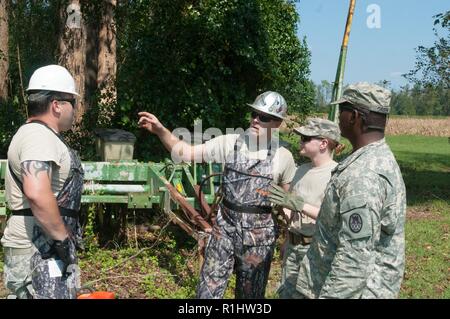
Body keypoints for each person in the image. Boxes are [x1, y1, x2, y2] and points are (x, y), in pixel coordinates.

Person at [138, 91, 296, 298]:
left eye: (264, 117)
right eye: (254, 114)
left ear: (277, 123)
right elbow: (186, 153)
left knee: (250, 297)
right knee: (207, 293)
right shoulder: (231, 142)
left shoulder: (283, 157)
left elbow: (288, 203)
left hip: (259, 240)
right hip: (224, 232)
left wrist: (289, 240)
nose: (256, 120)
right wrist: (160, 131)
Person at [293, 82, 407, 299]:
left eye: (342, 110)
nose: (338, 117)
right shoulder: (375, 158)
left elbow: (354, 260)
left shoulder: (363, 175)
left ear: (354, 116)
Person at [1, 65, 84, 299]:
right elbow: (36, 193)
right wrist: (61, 239)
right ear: (56, 105)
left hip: (46, 247)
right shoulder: (37, 136)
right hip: (37, 249)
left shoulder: (43, 136)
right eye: (73, 102)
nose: (75, 109)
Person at [268, 118, 342, 299]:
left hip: (317, 250)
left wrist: (300, 206)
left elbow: (333, 218)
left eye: (306, 138)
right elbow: (292, 209)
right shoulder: (300, 170)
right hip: (294, 246)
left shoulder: (337, 174)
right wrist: (286, 236)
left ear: (323, 143)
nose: (300, 141)